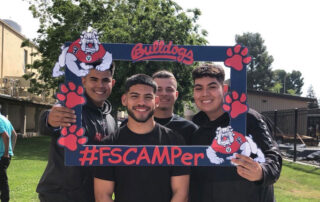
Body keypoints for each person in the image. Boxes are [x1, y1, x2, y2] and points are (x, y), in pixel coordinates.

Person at [189, 64, 282, 202]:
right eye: (199, 88)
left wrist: (261, 172)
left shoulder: (247, 119)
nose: (205, 93)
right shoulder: (195, 130)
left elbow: (273, 156)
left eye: (212, 87)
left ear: (224, 89)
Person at [94, 74, 189, 202]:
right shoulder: (108, 144)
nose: (141, 102)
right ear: (124, 100)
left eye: (148, 97)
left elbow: (181, 193)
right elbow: (102, 196)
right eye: (134, 96)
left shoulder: (175, 141)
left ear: (156, 101)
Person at [36, 66, 117, 202]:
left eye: (105, 80)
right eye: (93, 79)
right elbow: (49, 122)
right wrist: (50, 119)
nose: (100, 85)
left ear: (112, 83)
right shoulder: (72, 107)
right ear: (83, 80)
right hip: (60, 196)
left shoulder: (110, 119)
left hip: (93, 196)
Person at [121, 70, 198, 144]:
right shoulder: (129, 124)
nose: (164, 93)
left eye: (169, 89)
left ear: (176, 95)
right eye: (159, 89)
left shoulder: (189, 129)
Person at [0, 105, 17, 202]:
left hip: (2, 155)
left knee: (2, 181)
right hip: (6, 155)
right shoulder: (5, 120)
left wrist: (6, 153)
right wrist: (11, 151)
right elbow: (14, 134)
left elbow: (6, 136)